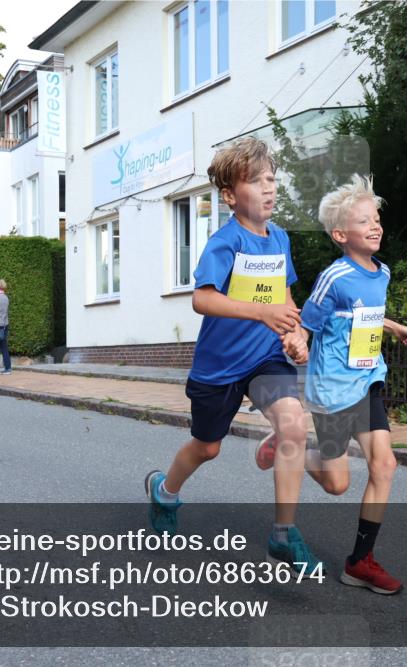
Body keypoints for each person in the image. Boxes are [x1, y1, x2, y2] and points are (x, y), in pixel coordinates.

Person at [144, 137, 321, 575]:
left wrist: (296, 334)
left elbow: (284, 297)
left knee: (294, 424)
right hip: (219, 366)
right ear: (229, 196)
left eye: (272, 179)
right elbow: (202, 300)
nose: (270, 188)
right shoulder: (225, 243)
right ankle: (164, 492)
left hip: (265, 360)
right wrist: (262, 312)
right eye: (257, 181)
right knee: (207, 448)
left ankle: (283, 532)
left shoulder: (279, 239)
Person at [258, 175, 407, 594]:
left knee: (384, 465)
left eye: (377, 218)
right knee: (337, 483)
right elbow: (309, 323)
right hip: (332, 388)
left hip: (368, 378)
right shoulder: (334, 277)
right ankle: (289, 448)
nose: (375, 226)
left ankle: (359, 562)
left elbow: (363, 314)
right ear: (340, 234)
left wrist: (394, 326)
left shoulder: (381, 272)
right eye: (365, 220)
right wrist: (296, 341)